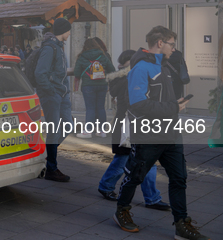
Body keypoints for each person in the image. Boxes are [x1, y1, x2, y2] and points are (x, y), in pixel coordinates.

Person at [114, 26, 210, 240]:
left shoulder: (164, 66)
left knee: (179, 178)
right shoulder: (141, 68)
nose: (174, 49)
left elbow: (159, 100)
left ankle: (181, 225)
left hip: (171, 133)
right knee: (135, 176)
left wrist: (174, 104)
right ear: (160, 43)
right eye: (171, 44)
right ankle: (122, 209)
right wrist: (172, 108)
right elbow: (138, 104)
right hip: (149, 134)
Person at [98, 49, 170, 211]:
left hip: (138, 125)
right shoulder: (127, 78)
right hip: (128, 127)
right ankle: (106, 185)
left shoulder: (131, 76)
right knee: (123, 160)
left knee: (147, 162)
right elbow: (134, 103)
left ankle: (152, 197)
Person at [34, 18, 74, 182]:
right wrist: (52, 91)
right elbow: (39, 73)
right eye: (69, 30)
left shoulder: (58, 47)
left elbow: (57, 72)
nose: (70, 33)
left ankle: (45, 156)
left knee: (67, 125)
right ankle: (51, 167)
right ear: (63, 31)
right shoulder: (50, 48)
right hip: (53, 95)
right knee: (54, 131)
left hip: (61, 94)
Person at [73, 38, 115, 138]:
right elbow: (112, 70)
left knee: (90, 108)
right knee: (101, 108)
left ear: (85, 46)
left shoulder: (82, 57)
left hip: (88, 85)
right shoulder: (103, 56)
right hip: (102, 85)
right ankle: (102, 131)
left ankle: (88, 131)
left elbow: (77, 73)